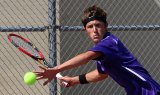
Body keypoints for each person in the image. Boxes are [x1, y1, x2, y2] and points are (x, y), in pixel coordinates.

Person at [34, 5, 160, 95]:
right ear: (85, 30)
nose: (94, 30)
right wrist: (74, 80)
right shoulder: (104, 52)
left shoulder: (109, 43)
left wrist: (56, 69)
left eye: (98, 25)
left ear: (105, 26)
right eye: (90, 26)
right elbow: (101, 74)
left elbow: (87, 56)